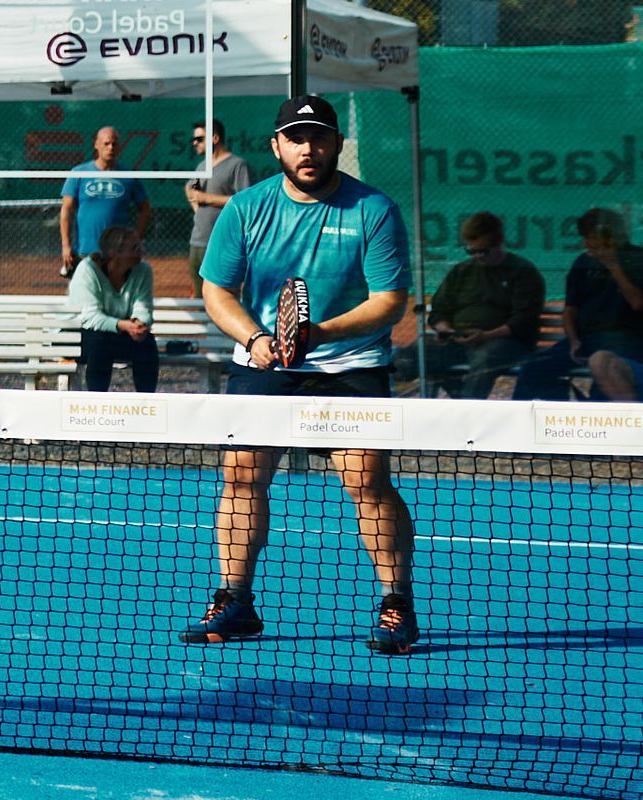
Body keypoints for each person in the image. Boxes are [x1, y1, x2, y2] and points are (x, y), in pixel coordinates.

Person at [183, 94, 419, 655]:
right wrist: (256, 339)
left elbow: (389, 301)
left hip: (350, 364)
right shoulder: (245, 208)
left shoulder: (374, 210)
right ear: (277, 146)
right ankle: (235, 600)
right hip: (264, 361)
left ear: (337, 144)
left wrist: (320, 335)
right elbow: (216, 291)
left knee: (366, 482)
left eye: (318, 138)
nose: (307, 149)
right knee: (241, 476)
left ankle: (396, 603)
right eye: (295, 138)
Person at [392, 211, 544, 399]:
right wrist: (444, 328)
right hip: (459, 341)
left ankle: (467, 410)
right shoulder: (462, 271)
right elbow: (439, 310)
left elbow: (524, 319)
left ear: (499, 242)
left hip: (505, 342)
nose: (478, 256)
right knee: (414, 352)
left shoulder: (522, 271)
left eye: (484, 251)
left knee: (486, 358)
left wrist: (486, 335)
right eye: (471, 251)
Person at [512, 208, 643, 401]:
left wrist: (612, 264)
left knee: (603, 377)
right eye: (586, 238)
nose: (586, 243)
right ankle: (543, 421)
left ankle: (621, 425)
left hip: (625, 339)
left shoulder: (637, 259)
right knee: (534, 367)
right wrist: (573, 340)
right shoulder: (583, 262)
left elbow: (637, 303)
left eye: (591, 237)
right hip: (587, 339)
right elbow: (570, 309)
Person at [67, 225, 158, 393]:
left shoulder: (143, 270)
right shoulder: (87, 270)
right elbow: (90, 317)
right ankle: (98, 403)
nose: (142, 251)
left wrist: (139, 324)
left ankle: (148, 403)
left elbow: (143, 305)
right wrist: (124, 325)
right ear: (113, 253)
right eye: (134, 248)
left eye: (141, 246)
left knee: (146, 342)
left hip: (114, 334)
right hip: (77, 334)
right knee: (100, 342)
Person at [59, 127, 152, 279]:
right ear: (96, 145)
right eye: (106, 143)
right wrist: (66, 245)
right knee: (84, 300)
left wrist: (135, 240)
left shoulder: (129, 176)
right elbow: (66, 210)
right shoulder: (78, 173)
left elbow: (145, 210)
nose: (110, 148)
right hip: (85, 253)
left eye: (114, 144)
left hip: (118, 255)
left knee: (117, 299)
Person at [184, 118, 252, 285]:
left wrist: (207, 198)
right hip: (197, 241)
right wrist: (196, 207)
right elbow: (189, 188)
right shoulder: (202, 166)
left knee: (222, 295)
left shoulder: (237, 165)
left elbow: (246, 202)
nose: (195, 143)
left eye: (199, 139)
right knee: (200, 300)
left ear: (214, 138)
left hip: (222, 242)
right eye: (193, 139)